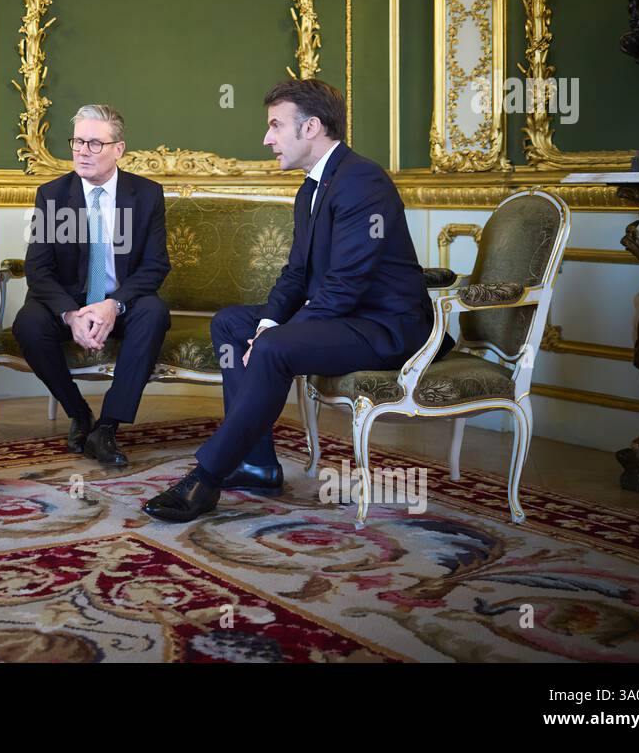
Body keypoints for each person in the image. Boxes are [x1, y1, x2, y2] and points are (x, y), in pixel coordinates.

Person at [143, 79, 441, 522]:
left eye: (275, 126)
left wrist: (276, 335)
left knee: (274, 345)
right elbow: (297, 273)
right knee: (232, 323)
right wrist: (266, 323)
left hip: (386, 325)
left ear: (312, 127)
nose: (267, 139)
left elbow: (345, 284)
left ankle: (207, 475)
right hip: (344, 317)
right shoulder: (310, 188)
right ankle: (257, 464)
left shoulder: (364, 182)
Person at [13, 104, 171, 466]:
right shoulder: (52, 195)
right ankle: (79, 413)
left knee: (154, 311)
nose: (82, 151)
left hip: (123, 302)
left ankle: (108, 427)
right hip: (69, 300)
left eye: (94, 144)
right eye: (77, 142)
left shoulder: (146, 194)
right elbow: (38, 269)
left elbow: (155, 265)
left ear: (118, 149)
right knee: (29, 322)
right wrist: (70, 313)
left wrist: (112, 305)